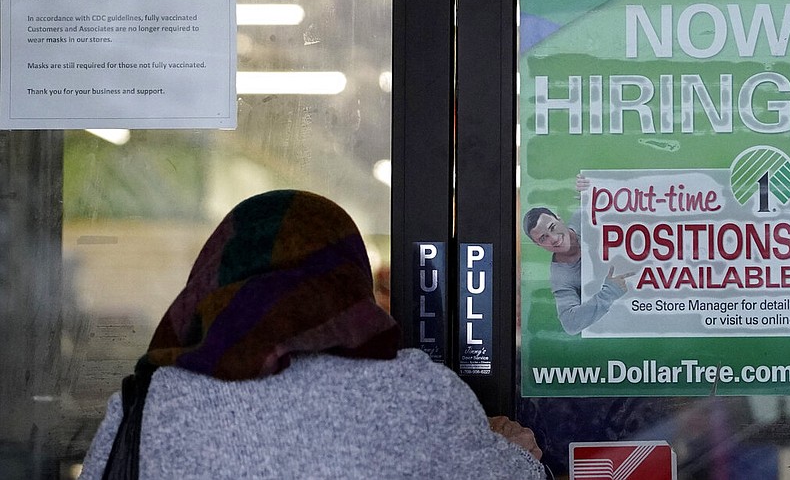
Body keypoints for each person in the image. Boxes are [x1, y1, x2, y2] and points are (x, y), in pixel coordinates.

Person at [79, 189, 545, 479]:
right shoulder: (416, 394)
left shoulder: (147, 403)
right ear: (346, 283)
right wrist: (518, 454)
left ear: (212, 279)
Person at [523, 204, 633, 335]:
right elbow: (570, 323)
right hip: (628, 310)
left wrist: (590, 184)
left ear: (559, 219)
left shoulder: (581, 216)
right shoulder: (561, 277)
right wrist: (608, 293)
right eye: (543, 238)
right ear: (538, 245)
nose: (554, 239)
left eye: (552, 227)